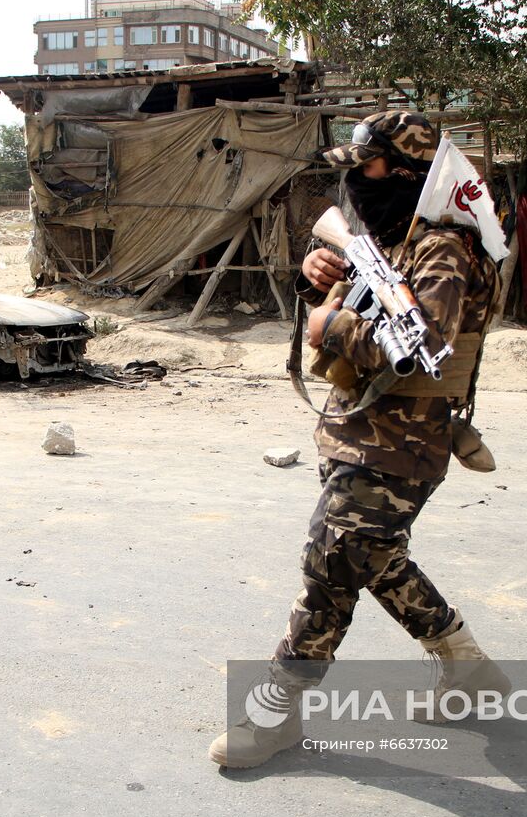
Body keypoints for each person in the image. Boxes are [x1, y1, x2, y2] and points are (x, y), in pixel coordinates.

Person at [210, 111, 511, 769]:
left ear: (408, 173)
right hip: (355, 430)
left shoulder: (441, 248)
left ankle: (276, 713)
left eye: (365, 168)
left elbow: (421, 343)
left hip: (402, 445)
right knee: (375, 560)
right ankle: (469, 671)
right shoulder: (393, 239)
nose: (353, 181)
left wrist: (330, 325)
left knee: (331, 562)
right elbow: (351, 305)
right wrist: (319, 280)